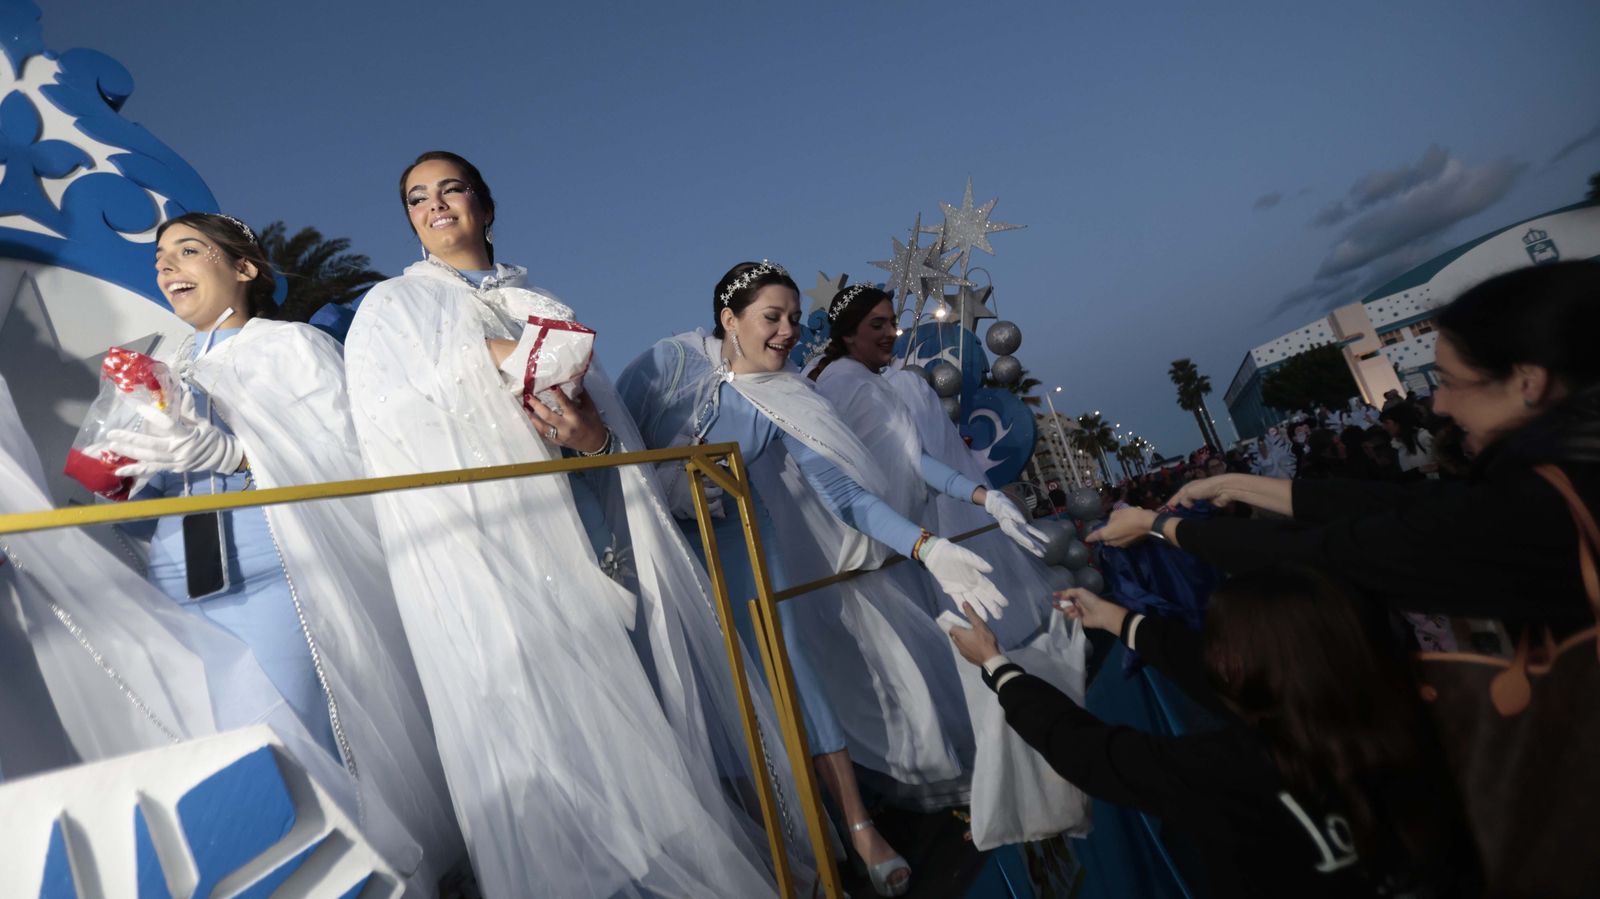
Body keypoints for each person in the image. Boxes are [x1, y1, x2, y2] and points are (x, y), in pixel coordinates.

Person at [344, 153, 793, 898]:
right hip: (491, 550)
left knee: (628, 715)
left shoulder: (539, 299)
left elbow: (600, 426)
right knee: (536, 725)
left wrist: (594, 441)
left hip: (590, 529)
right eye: (416, 198)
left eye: (451, 188)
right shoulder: (395, 308)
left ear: (485, 205)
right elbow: (388, 417)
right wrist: (485, 357)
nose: (435, 205)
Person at [1089, 261, 1600, 892]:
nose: (1435, 402)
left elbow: (1341, 552)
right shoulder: (1555, 479)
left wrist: (1160, 528)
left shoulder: (1537, 511)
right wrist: (1232, 484)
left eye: (1450, 381)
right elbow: (1394, 511)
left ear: (1528, 382)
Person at [618, 262, 1014, 896]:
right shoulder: (663, 363)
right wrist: (655, 490)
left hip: (749, 543)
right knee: (698, 679)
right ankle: (759, 821)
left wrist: (927, 546)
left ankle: (857, 825)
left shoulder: (789, 397)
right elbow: (612, 436)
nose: (786, 332)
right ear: (729, 318)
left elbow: (846, 496)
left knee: (791, 670)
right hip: (667, 548)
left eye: (794, 319)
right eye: (771, 317)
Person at [94, 212, 461, 888]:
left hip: (277, 579)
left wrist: (237, 452)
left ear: (244, 269)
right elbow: (143, 503)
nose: (167, 265)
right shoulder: (164, 370)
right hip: (184, 589)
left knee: (296, 747)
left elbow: (347, 459)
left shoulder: (289, 347)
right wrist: (125, 482)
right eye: (159, 257)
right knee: (219, 761)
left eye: (189, 250)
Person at [946, 569, 1476, 897]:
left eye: (1219, 641)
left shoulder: (1230, 771)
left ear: (1245, 666)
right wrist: (1116, 619)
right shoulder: (1419, 724)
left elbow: (1091, 753)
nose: (1212, 651)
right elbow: (1212, 675)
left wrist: (997, 666)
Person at [807, 283, 1090, 848]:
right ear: (846, 335)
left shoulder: (865, 381)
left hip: (903, 547)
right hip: (881, 555)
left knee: (932, 668)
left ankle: (969, 779)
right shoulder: (843, 384)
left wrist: (984, 498)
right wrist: (922, 537)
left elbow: (914, 462)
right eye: (877, 327)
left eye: (892, 323)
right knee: (908, 678)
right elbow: (856, 484)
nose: (890, 334)